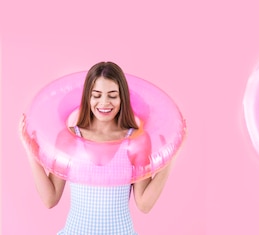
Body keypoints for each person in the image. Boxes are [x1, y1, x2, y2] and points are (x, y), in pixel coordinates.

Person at [19, 61, 173, 234]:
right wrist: (30, 151)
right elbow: (50, 199)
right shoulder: (70, 137)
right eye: (97, 95)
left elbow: (144, 205)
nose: (104, 102)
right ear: (88, 97)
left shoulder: (136, 139)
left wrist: (169, 158)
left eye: (112, 95)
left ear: (122, 97)